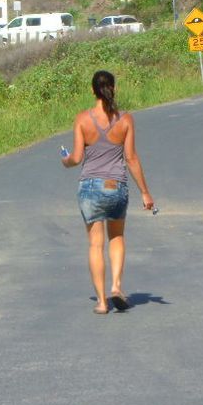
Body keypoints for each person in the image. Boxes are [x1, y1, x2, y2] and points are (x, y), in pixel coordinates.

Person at [61, 70, 155, 315]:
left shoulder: (83, 119)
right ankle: (116, 286)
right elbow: (131, 158)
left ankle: (102, 302)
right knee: (117, 237)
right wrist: (145, 192)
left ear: (93, 90)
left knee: (95, 244)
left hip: (90, 187)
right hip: (117, 186)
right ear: (113, 88)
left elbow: (77, 157)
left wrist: (66, 160)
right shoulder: (125, 120)